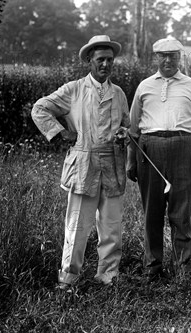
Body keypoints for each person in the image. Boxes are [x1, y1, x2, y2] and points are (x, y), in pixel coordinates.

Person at [31, 35, 130, 289]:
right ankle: (68, 280)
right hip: (83, 165)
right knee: (77, 227)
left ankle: (108, 278)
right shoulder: (74, 90)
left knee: (111, 228)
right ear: (89, 60)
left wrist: (124, 134)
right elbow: (40, 108)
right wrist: (61, 132)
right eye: (100, 59)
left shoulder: (118, 94)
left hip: (113, 166)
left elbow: (126, 126)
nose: (105, 64)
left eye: (109, 60)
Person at [127, 37, 191, 280]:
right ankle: (152, 268)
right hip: (149, 149)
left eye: (173, 55)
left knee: (180, 212)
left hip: (182, 148)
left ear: (180, 57)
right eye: (163, 55)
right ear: (156, 58)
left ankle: (183, 268)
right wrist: (132, 160)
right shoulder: (145, 86)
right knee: (152, 211)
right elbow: (133, 128)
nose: (168, 60)